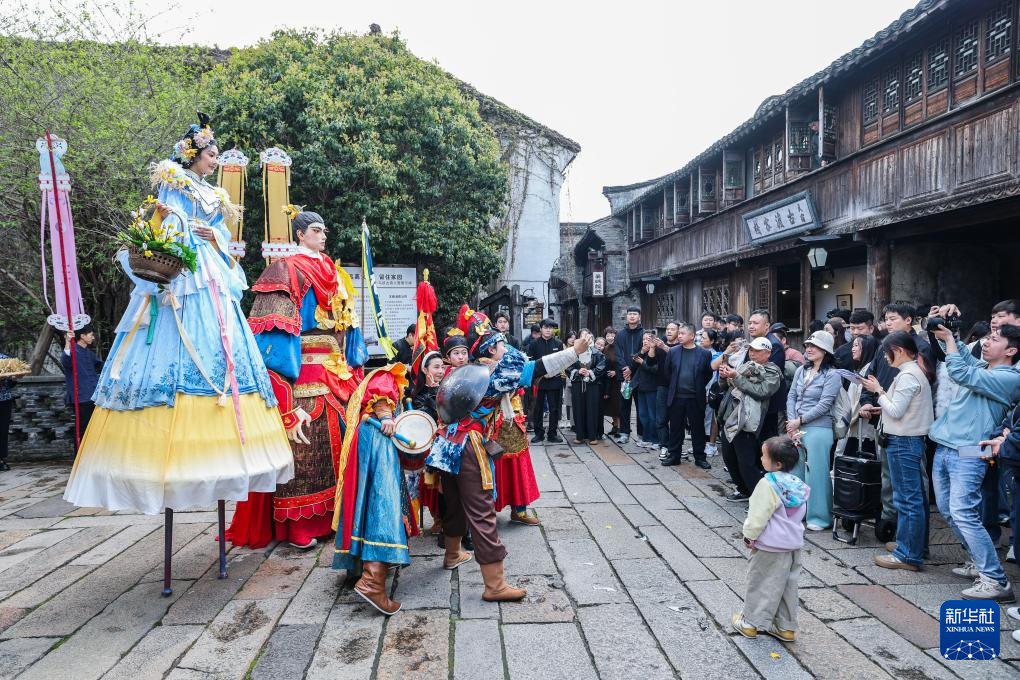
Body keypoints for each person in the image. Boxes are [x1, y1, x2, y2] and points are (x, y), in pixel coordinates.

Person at [63, 114, 293, 518]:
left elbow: (222, 232)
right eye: (210, 154)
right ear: (193, 155)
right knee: (174, 330)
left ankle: (220, 452)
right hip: (182, 267)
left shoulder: (215, 193)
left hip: (210, 270)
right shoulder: (174, 180)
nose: (214, 160)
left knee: (222, 336)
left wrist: (214, 235)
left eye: (216, 155)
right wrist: (181, 226)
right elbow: (164, 224)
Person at [427, 306, 591, 602]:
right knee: (481, 512)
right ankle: (495, 585)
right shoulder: (491, 374)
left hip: (446, 444)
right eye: (500, 344)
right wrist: (574, 351)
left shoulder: (463, 371)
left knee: (454, 504)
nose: (505, 347)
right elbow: (536, 368)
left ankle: (452, 554)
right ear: (490, 349)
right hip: (468, 445)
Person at [227, 208, 364, 550]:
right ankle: (298, 524)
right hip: (302, 374)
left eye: (324, 230)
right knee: (305, 448)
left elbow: (349, 326)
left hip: (337, 371)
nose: (323, 235)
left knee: (345, 443)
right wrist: (283, 395)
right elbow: (273, 339)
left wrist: (353, 365)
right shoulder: (285, 269)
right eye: (316, 230)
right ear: (300, 234)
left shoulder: (333, 271)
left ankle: (337, 516)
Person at [928, 323, 1020, 602]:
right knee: (949, 510)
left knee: (963, 511)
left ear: (1011, 351)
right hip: (947, 444)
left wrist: (950, 341)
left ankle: (995, 579)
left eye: (994, 339)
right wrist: (949, 334)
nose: (986, 342)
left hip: (970, 450)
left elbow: (960, 371)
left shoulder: (1010, 378)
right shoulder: (985, 368)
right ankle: (979, 562)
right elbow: (965, 359)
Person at [332, 364, 417, 615]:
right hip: (378, 442)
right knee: (383, 506)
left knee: (367, 503)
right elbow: (381, 394)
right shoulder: (389, 373)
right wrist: (386, 415)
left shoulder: (391, 378)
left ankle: (361, 568)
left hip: (370, 441)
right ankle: (372, 581)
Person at [860, 303, 934, 539]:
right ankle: (896, 528)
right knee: (891, 482)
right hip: (889, 426)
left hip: (906, 433)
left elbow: (901, 406)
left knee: (911, 492)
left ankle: (911, 543)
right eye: (886, 319)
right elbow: (871, 376)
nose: (887, 323)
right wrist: (868, 400)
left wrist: (880, 393)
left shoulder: (917, 357)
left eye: (892, 318)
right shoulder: (888, 347)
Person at [731, 435, 809, 643]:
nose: (761, 458)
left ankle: (750, 622)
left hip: (770, 545)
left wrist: (749, 536)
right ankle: (786, 626)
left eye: (764, 456)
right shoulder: (797, 484)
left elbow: (758, 515)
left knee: (760, 582)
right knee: (788, 586)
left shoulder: (767, 484)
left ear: (778, 463)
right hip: (792, 544)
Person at [786, 330, 841, 531]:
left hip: (819, 427)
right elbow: (791, 396)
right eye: (808, 345)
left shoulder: (833, 374)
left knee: (817, 472)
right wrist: (792, 422)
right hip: (796, 425)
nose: (809, 349)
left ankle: (819, 517)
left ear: (825, 350)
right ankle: (797, 512)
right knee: (795, 471)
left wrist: (799, 420)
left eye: (814, 346)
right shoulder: (801, 370)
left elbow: (825, 404)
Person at [717, 336, 783, 499]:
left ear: (768, 353)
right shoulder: (745, 365)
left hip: (747, 420)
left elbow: (762, 391)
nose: (752, 353)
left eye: (757, 351)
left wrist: (736, 376)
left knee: (747, 462)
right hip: (730, 417)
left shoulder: (772, 371)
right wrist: (724, 376)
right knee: (729, 457)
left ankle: (759, 498)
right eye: (751, 350)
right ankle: (743, 490)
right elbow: (725, 386)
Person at [654, 323, 713, 468]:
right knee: (675, 428)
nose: (679, 336)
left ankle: (700, 457)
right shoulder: (673, 352)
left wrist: (698, 387)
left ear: (692, 336)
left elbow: (707, 375)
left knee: (697, 428)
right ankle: (674, 455)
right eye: (679, 333)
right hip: (677, 396)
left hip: (695, 397)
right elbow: (668, 372)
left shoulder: (704, 353)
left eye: (682, 333)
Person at [833, 335, 879, 457]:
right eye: (853, 345)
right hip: (856, 424)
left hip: (861, 427)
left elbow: (858, 400)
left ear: (867, 349)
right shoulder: (862, 369)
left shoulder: (869, 371)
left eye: (857, 345)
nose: (853, 349)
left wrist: (845, 420)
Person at [61, 325, 103, 452]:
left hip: (94, 396)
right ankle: (78, 458)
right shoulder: (72, 352)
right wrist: (68, 342)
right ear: (82, 336)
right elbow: (65, 360)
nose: (93, 337)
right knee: (82, 429)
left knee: (94, 429)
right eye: (91, 335)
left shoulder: (89, 353)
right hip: (81, 397)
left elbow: (102, 367)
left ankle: (90, 457)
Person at [528, 318, 565, 444]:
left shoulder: (558, 343)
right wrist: (542, 374)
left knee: (554, 408)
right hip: (539, 381)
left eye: (550, 328)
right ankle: (539, 433)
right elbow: (531, 363)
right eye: (545, 327)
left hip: (554, 380)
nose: (548, 330)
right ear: (541, 329)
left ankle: (552, 433)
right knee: (538, 408)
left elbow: (561, 361)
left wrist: (552, 372)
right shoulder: (534, 344)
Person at [568, 328, 605, 445]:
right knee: (578, 409)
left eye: (588, 336)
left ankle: (592, 436)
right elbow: (568, 367)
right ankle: (580, 435)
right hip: (578, 384)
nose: (586, 339)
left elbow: (601, 367)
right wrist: (578, 371)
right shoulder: (573, 353)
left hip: (592, 385)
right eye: (583, 336)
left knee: (592, 409)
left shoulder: (597, 353)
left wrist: (590, 372)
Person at [614, 307, 645, 444]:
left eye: (635, 314)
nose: (632, 316)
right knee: (624, 405)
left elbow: (643, 353)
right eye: (630, 314)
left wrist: (631, 369)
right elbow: (618, 354)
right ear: (626, 316)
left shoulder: (644, 333)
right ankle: (624, 433)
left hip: (639, 375)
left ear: (639, 316)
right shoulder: (620, 335)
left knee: (640, 406)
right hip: (624, 376)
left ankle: (641, 434)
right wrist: (625, 368)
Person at [632, 331, 660, 450]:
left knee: (653, 415)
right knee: (643, 415)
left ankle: (656, 440)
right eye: (644, 339)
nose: (645, 341)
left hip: (652, 388)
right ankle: (646, 438)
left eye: (648, 339)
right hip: (641, 387)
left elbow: (655, 369)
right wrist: (642, 352)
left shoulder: (658, 352)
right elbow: (633, 362)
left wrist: (642, 362)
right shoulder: (642, 352)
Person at [655, 322, 681, 456]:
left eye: (672, 329)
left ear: (678, 332)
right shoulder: (660, 345)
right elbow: (651, 362)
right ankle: (664, 445)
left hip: (678, 387)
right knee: (661, 419)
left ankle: (676, 446)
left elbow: (678, 359)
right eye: (667, 329)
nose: (669, 331)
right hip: (662, 386)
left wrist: (664, 347)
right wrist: (652, 348)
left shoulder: (682, 347)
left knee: (677, 419)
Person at [699, 328, 723, 457]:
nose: (701, 340)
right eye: (701, 337)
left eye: (704, 338)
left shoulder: (715, 355)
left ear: (712, 341)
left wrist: (708, 393)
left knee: (710, 418)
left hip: (709, 392)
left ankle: (710, 445)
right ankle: (701, 444)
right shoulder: (699, 352)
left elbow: (712, 377)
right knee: (700, 418)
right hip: (699, 390)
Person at [602, 327, 621, 437]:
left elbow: (624, 363)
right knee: (611, 405)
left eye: (612, 335)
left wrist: (616, 372)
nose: (610, 337)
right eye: (608, 335)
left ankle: (620, 428)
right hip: (609, 381)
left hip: (618, 380)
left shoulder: (620, 347)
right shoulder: (605, 348)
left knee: (618, 404)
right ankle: (615, 426)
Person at [0, 352, 14, 472]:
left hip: (4, 399)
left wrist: (12, 378)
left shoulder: (5, 359)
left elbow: (11, 383)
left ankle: (1, 459)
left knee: (3, 430)